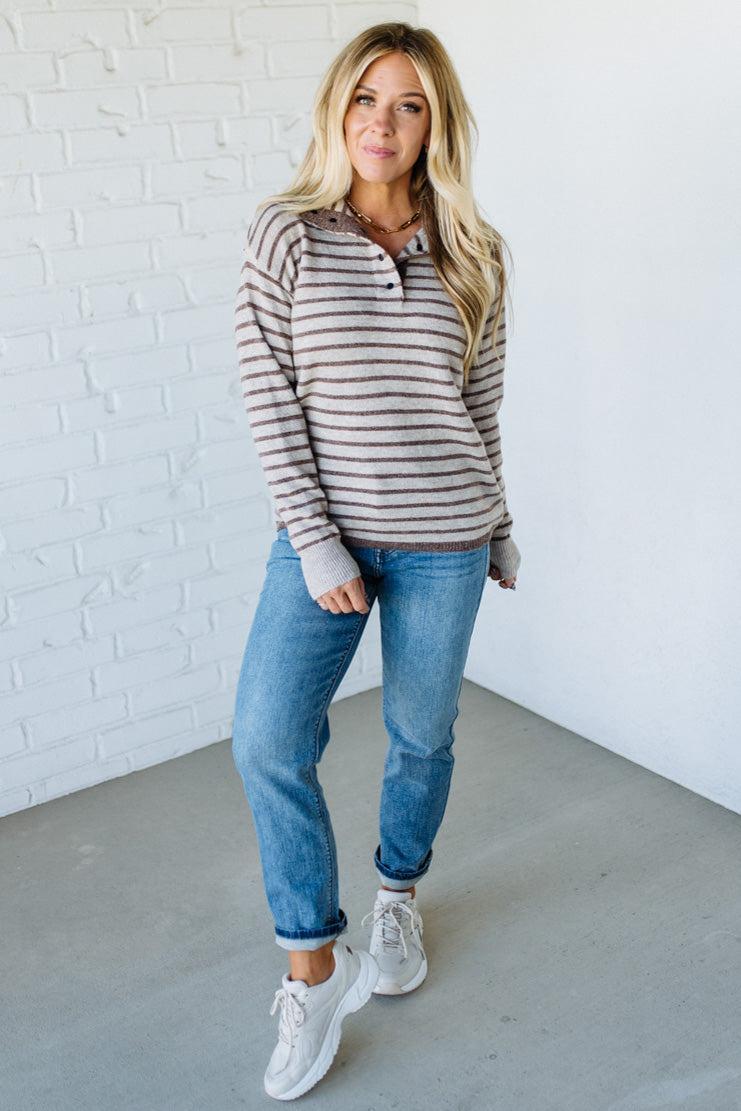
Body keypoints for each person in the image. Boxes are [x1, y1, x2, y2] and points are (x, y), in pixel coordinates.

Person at [231, 21, 521, 1102]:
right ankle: (314, 960)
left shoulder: (475, 250)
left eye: (406, 104)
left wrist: (498, 526)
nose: (381, 124)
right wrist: (315, 542)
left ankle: (398, 895)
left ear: (434, 120)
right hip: (328, 536)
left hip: (448, 534)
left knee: (419, 736)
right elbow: (271, 400)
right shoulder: (286, 234)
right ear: (335, 110)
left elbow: (480, 407)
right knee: (267, 734)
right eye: (365, 99)